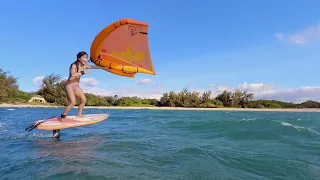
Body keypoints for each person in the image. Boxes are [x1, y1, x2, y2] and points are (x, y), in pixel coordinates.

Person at [60, 51, 104, 120]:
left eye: (86, 58)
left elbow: (93, 67)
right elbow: (73, 75)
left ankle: (79, 114)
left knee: (83, 99)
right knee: (72, 102)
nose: (86, 59)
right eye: (84, 58)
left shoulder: (85, 65)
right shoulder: (74, 65)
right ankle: (63, 116)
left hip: (76, 86)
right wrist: (83, 72)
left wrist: (102, 67)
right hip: (69, 85)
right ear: (79, 58)